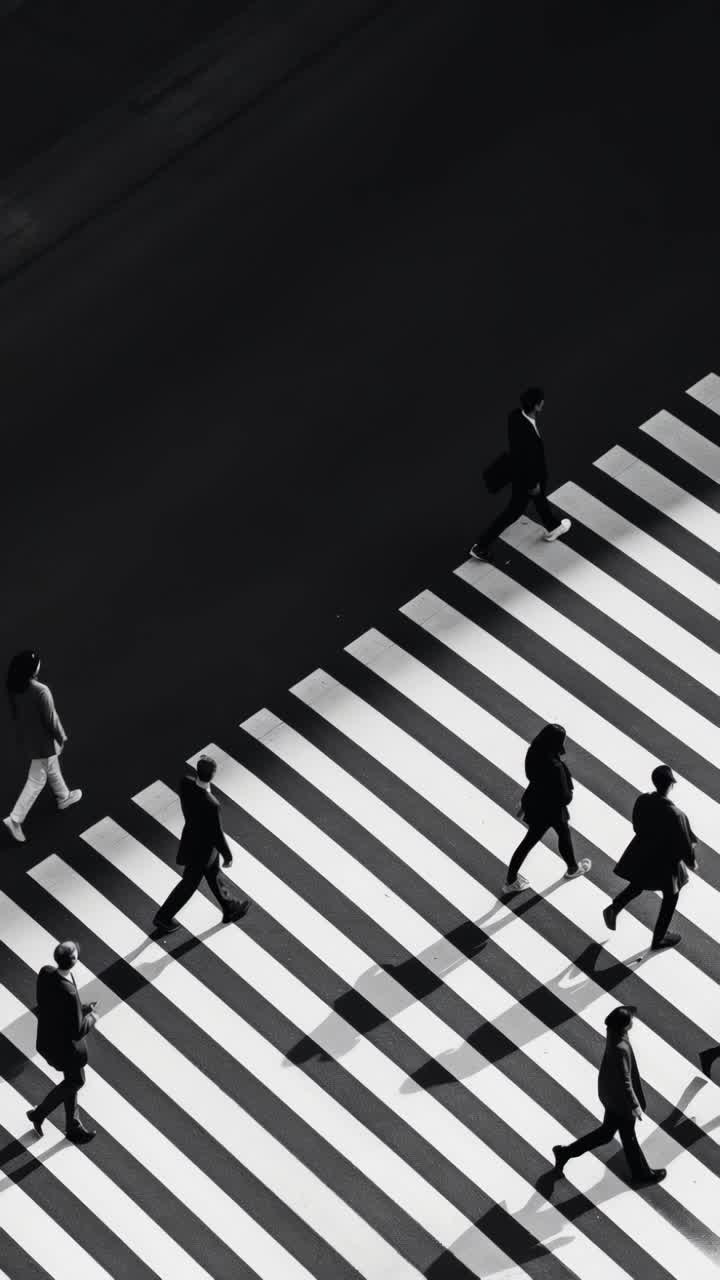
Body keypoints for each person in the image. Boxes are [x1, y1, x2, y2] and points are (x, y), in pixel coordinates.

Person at [552, 1005, 666, 1185]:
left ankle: (565, 1153)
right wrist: (634, 1105)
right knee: (628, 1137)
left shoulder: (614, 1033)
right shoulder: (620, 1046)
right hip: (620, 1101)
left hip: (611, 1095)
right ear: (624, 1025)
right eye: (630, 1020)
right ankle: (641, 1174)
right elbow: (625, 1081)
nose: (633, 1022)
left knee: (606, 1134)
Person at [470, 387, 571, 561]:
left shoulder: (515, 416)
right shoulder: (528, 435)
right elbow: (528, 459)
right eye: (541, 402)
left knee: (539, 501)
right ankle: (481, 545)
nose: (543, 404)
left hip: (520, 472)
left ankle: (553, 527)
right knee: (513, 512)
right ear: (537, 406)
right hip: (528, 478)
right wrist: (533, 484)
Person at [603, 765, 697, 951]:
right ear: (670, 785)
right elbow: (685, 844)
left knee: (638, 883)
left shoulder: (643, 800)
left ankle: (614, 908)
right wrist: (691, 862)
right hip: (665, 861)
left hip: (644, 852)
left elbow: (637, 826)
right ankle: (659, 938)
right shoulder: (676, 815)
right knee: (671, 896)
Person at [153, 755, 250, 933]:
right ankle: (163, 917)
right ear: (213, 775)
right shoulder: (211, 804)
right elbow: (217, 834)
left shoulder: (185, 783)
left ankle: (230, 907)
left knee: (212, 872)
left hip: (191, 840)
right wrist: (227, 855)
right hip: (204, 849)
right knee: (190, 883)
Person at [3, 650, 82, 844]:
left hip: (30, 739)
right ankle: (15, 819)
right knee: (36, 780)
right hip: (44, 741)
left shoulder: (14, 688)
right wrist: (61, 737)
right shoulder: (40, 690)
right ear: (32, 670)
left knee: (51, 768)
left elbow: (16, 715)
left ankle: (63, 796)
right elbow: (50, 718)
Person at [502, 723, 591, 894]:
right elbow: (566, 797)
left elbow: (530, 776)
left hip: (535, 801)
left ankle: (572, 867)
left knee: (557, 834)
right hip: (552, 808)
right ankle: (510, 881)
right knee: (536, 840)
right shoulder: (555, 767)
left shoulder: (533, 751)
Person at [28, 940, 97, 1144]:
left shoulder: (46, 972)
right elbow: (77, 1030)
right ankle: (39, 1114)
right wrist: (92, 1018)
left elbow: (49, 1003)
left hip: (47, 1039)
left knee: (71, 1080)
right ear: (74, 960)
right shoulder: (70, 992)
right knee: (76, 1081)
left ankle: (73, 1126)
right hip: (65, 1048)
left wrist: (80, 1009)